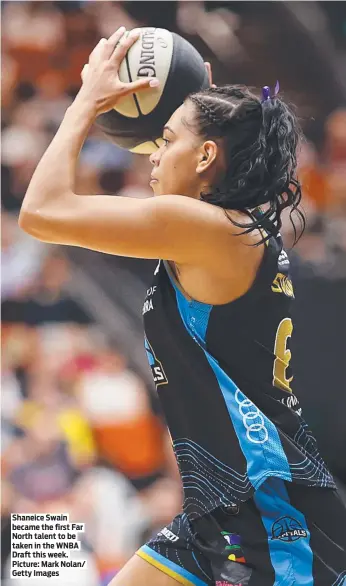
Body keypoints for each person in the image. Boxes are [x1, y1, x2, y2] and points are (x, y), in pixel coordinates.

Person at [19, 27, 346, 586]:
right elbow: (201, 147)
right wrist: (192, 101)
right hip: (219, 515)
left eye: (165, 141)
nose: (152, 155)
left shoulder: (201, 229)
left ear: (207, 155)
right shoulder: (222, 228)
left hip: (270, 520)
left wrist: (89, 100)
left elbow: (42, 210)